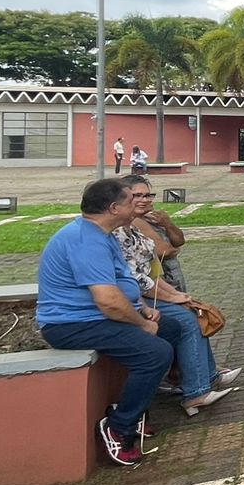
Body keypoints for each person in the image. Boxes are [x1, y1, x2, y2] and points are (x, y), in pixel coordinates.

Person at [37, 179, 176, 467]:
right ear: (114, 208)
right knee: (155, 353)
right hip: (71, 325)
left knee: (173, 328)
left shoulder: (102, 234)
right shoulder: (85, 240)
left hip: (95, 317)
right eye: (129, 201)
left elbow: (120, 286)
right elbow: (109, 301)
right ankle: (119, 426)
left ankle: (138, 406)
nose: (136, 205)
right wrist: (141, 322)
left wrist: (141, 309)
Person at [116, 175, 240, 415]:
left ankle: (205, 378)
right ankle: (196, 390)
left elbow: (176, 244)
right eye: (136, 196)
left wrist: (168, 224)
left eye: (147, 195)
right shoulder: (126, 228)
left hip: (157, 287)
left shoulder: (141, 224)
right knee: (187, 321)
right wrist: (172, 296)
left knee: (190, 314)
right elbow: (162, 257)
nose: (143, 200)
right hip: (139, 297)